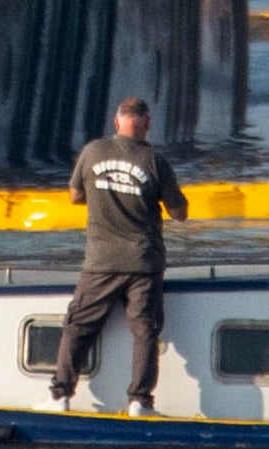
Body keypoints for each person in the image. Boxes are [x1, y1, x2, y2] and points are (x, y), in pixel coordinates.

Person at [52, 94, 188, 415]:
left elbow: (74, 196)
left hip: (101, 262)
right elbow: (178, 213)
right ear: (147, 125)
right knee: (144, 332)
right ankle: (139, 401)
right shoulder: (155, 162)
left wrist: (105, 195)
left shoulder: (92, 152)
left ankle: (60, 396)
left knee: (77, 326)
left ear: (116, 122)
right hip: (143, 263)